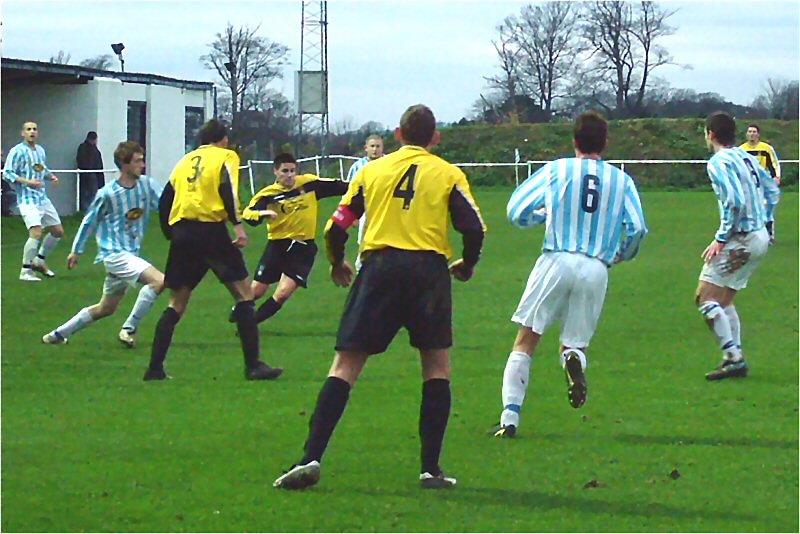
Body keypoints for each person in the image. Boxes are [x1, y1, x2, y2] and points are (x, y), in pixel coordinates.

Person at [273, 104, 486, 491]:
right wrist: (468, 264)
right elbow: (474, 227)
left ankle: (310, 457)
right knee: (436, 366)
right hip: (428, 272)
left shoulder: (372, 170)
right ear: (435, 139)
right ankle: (430, 469)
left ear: (397, 135)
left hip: (380, 268)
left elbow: (337, 224)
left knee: (345, 365)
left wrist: (337, 262)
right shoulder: (447, 173)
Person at [492, 111, 647, 439]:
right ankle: (573, 362)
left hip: (556, 260)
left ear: (574, 141)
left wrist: (539, 217)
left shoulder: (558, 169)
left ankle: (510, 417)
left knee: (527, 339)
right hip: (595, 267)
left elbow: (515, 210)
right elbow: (637, 228)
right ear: (605, 143)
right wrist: (622, 253)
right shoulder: (622, 180)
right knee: (574, 343)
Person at [143, 119, 282, 382]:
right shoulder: (226, 156)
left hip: (183, 233)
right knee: (244, 295)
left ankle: (154, 368)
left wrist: (171, 234)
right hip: (210, 231)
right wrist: (238, 225)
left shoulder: (185, 160)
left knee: (176, 303)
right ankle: (253, 366)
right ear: (224, 139)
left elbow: (165, 200)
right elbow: (226, 189)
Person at [42, 141, 165, 348]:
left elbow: (166, 206)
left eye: (142, 160)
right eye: (137, 161)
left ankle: (57, 334)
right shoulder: (107, 194)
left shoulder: (147, 185)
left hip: (130, 254)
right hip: (114, 254)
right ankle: (129, 328)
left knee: (106, 308)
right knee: (159, 281)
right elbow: (89, 221)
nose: (142, 165)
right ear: (124, 164)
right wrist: (76, 251)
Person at [696, 112, 779, 381]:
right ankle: (735, 357)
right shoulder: (746, 157)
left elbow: (734, 201)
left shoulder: (719, 162)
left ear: (710, 134)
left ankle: (733, 357)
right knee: (724, 299)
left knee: (704, 297)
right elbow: (772, 190)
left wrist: (721, 238)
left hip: (742, 239)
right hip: (759, 236)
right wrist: (765, 221)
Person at [236, 153, 349, 326]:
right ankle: (238, 311)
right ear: (275, 171)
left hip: (303, 248)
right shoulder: (268, 194)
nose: (289, 175)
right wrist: (262, 213)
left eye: (292, 171)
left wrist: (363, 186)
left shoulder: (309, 184)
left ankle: (249, 325)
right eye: (284, 171)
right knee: (255, 291)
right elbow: (248, 214)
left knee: (282, 294)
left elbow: (339, 186)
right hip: (277, 246)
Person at [2, 121, 64, 281]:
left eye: (34, 129)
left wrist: (51, 176)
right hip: (27, 200)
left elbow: (41, 168)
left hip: (42, 198)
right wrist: (28, 182)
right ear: (22, 133)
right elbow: (7, 173)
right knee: (36, 232)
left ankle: (39, 260)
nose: (32, 132)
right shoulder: (17, 151)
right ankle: (25, 271)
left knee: (57, 231)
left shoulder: (40, 151)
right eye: (28, 129)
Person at [346, 134, 385, 271]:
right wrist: (352, 216)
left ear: (382, 148)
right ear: (366, 148)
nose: (375, 149)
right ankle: (361, 268)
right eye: (372, 146)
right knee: (364, 241)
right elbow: (350, 192)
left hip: (385, 209)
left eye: (378, 146)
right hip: (364, 209)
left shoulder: (390, 164)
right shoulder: (358, 167)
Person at [739, 123, 780, 244]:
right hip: (749, 185)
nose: (752, 134)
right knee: (750, 209)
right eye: (750, 132)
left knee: (766, 208)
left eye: (754, 132)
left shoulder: (766, 148)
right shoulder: (741, 150)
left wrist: (776, 176)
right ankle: (751, 235)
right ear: (746, 134)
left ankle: (769, 235)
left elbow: (774, 163)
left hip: (764, 184)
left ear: (758, 134)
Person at [76, 131, 106, 212]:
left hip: (84, 175)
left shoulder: (82, 148)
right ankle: (91, 211)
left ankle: (86, 210)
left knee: (85, 195)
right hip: (92, 175)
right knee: (92, 195)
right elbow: (98, 164)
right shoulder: (94, 150)